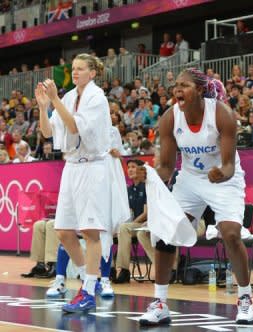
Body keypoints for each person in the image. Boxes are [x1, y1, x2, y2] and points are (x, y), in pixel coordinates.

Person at [138, 68, 253, 326]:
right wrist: (150, 176)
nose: (177, 89)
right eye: (176, 85)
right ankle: (160, 303)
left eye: (185, 85)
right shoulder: (170, 118)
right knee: (167, 233)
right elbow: (168, 167)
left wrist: (220, 173)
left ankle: (245, 299)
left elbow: (228, 166)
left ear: (200, 90)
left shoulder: (222, 114)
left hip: (223, 180)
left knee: (231, 234)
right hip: (190, 179)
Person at [35, 53, 113, 313]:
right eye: (73, 68)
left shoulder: (96, 98)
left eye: (80, 69)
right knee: (64, 232)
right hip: (71, 166)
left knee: (90, 232)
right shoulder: (69, 97)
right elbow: (47, 133)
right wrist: (44, 106)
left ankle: (89, 291)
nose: (75, 72)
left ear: (92, 73)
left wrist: (55, 100)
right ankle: (89, 279)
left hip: (93, 166)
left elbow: (74, 128)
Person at [113, 158, 154, 284]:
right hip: (136, 225)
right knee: (119, 228)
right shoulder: (129, 190)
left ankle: (123, 270)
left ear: (141, 170)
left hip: (149, 223)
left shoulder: (147, 186)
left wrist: (130, 225)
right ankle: (122, 269)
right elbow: (128, 212)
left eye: (133, 167)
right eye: (128, 167)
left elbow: (146, 213)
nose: (130, 169)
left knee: (125, 228)